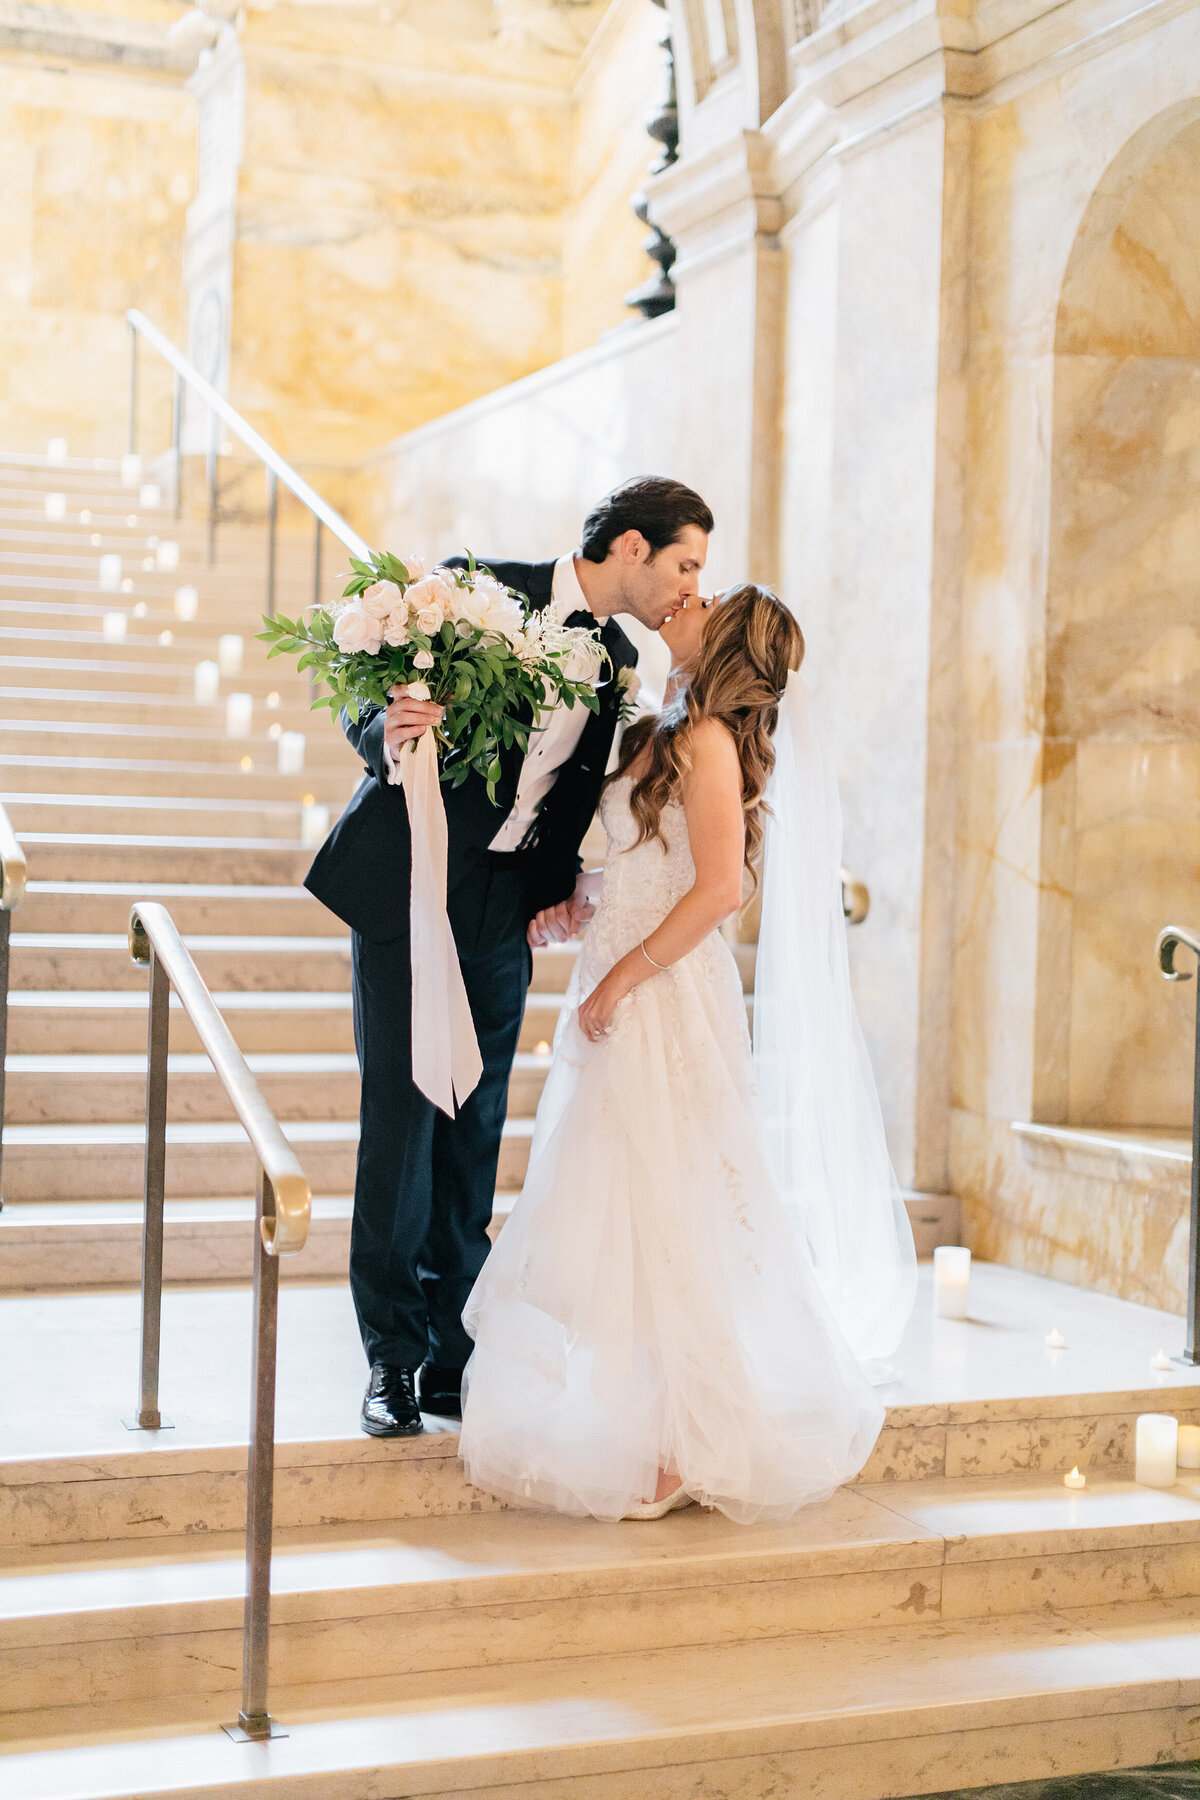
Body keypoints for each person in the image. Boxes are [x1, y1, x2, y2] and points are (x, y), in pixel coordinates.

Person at [457, 584, 913, 1523]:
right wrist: (579, 906)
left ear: (727, 642)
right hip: (616, 967)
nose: (689, 594)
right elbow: (638, 858)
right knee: (620, 1192)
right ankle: (654, 1418)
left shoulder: (707, 741)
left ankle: (679, 1443)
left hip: (662, 994)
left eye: (709, 594)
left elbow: (716, 893)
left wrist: (622, 978)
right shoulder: (668, 721)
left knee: (666, 1194)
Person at [304, 476, 714, 1436]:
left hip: (500, 907)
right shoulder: (476, 591)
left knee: (475, 1124)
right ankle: (392, 1359)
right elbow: (368, 703)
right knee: (403, 1119)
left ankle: (453, 1350)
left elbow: (570, 797)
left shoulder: (617, 662)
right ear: (629, 549)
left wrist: (565, 884)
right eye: (685, 562)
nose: (690, 583)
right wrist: (384, 731)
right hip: (410, 879)